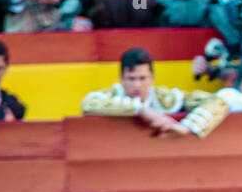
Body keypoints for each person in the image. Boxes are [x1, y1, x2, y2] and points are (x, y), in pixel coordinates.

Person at [82, 47, 229, 137]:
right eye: (131, 78)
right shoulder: (112, 94)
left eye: (142, 78)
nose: (137, 85)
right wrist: (142, 109)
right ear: (121, 78)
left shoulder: (165, 98)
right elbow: (87, 104)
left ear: (152, 78)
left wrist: (186, 127)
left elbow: (217, 102)